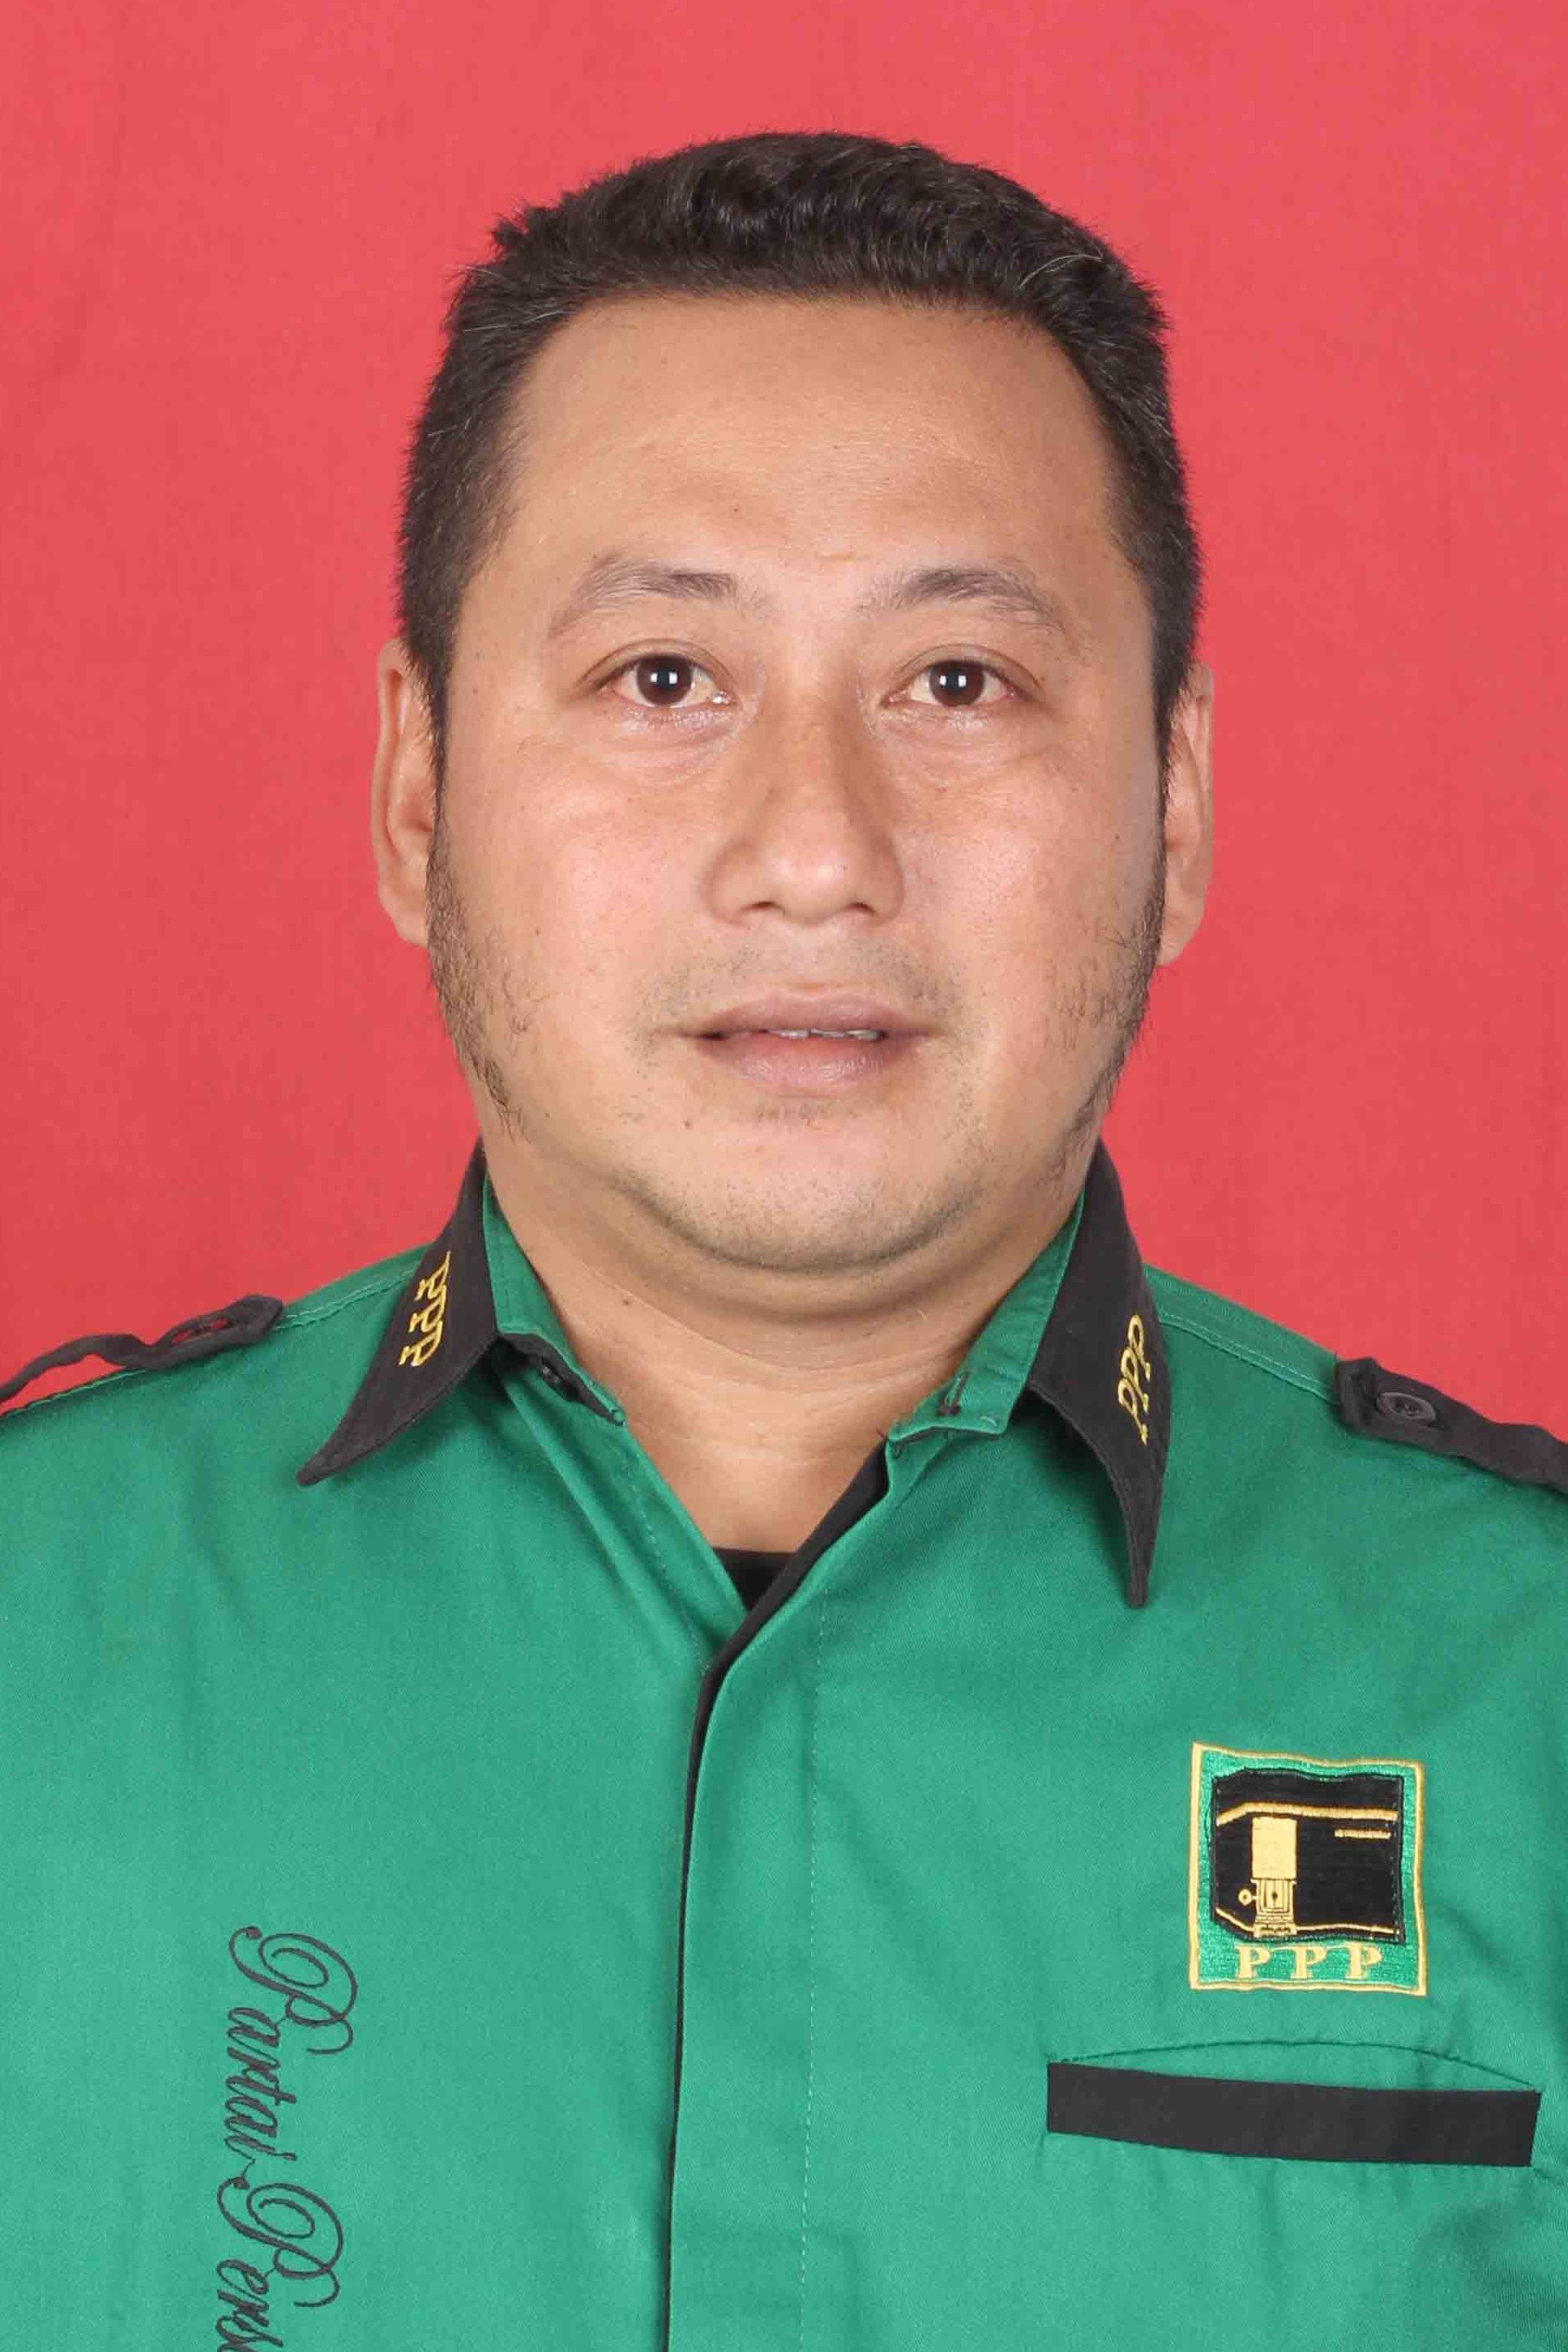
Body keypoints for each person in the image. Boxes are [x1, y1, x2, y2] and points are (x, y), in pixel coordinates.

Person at [3, 131, 1564, 2351]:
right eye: (662, 677)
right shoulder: (33, 1628)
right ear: (419, 791)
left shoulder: (1523, 1681)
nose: (814, 850)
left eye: (958, 683)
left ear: (1176, 802)